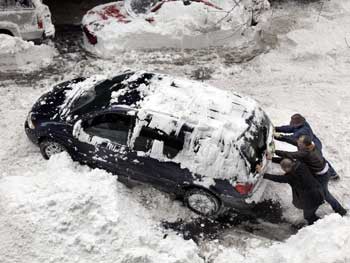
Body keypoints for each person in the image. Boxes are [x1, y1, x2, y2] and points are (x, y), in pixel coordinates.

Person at [274, 135, 347, 216]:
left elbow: (290, 154)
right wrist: (280, 137)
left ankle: (340, 210)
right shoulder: (311, 146)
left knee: (325, 194)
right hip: (323, 171)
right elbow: (294, 142)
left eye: (300, 142)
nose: (297, 142)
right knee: (323, 193)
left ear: (305, 145)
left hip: (322, 176)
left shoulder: (306, 153)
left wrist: (274, 151)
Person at [256, 159, 324, 225]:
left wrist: (262, 173)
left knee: (308, 216)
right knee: (310, 213)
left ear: (286, 169)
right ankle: (318, 222)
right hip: (318, 192)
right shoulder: (300, 165)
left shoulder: (292, 177)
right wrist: (271, 159)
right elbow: (285, 161)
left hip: (311, 199)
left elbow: (278, 178)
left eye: (283, 169)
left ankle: (319, 225)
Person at [274, 113, 339, 179]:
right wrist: (276, 129)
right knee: (316, 160)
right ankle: (331, 173)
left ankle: (331, 174)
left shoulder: (303, 131)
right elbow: (289, 128)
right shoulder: (300, 124)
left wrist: (280, 137)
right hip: (306, 144)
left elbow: (292, 138)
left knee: (314, 161)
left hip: (314, 145)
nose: (292, 125)